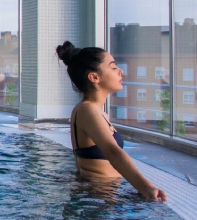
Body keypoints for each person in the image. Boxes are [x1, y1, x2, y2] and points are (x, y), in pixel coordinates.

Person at [56, 41, 167, 201]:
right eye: (113, 67)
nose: (121, 71)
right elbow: (112, 151)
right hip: (97, 198)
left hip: (102, 194)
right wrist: (146, 187)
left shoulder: (96, 111)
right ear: (94, 77)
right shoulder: (88, 110)